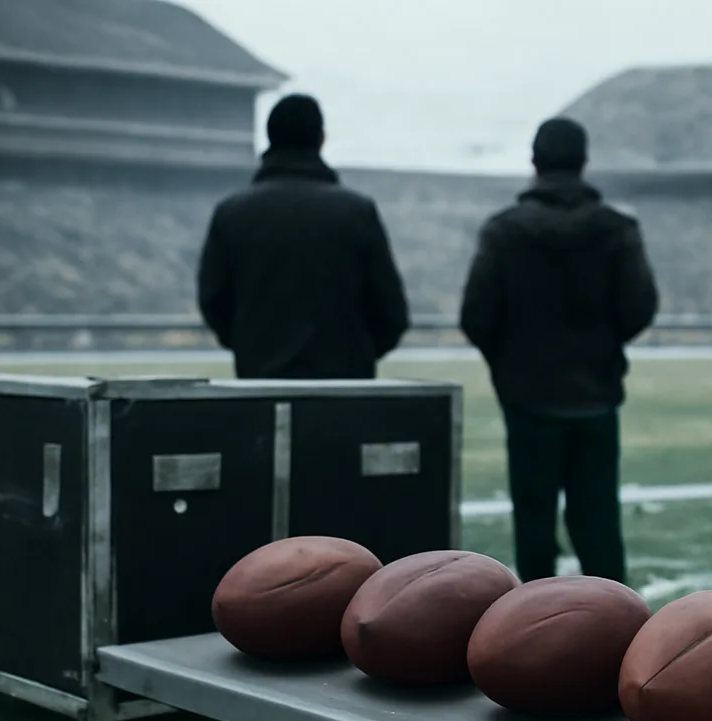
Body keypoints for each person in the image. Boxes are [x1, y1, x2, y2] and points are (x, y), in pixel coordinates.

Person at [460, 117, 659, 584]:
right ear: (583, 162)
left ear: (534, 162)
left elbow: (476, 317)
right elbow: (639, 307)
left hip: (528, 398)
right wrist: (603, 346)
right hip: (595, 394)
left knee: (533, 519)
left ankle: (534, 625)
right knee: (598, 520)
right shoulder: (617, 229)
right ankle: (614, 624)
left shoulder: (503, 232)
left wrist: (510, 363)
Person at [197, 94, 410, 379]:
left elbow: (214, 300)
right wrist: (358, 354)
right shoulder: (356, 212)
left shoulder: (231, 214)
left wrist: (251, 347)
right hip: (345, 388)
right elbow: (390, 309)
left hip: (260, 381)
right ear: (321, 139)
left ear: (269, 138)